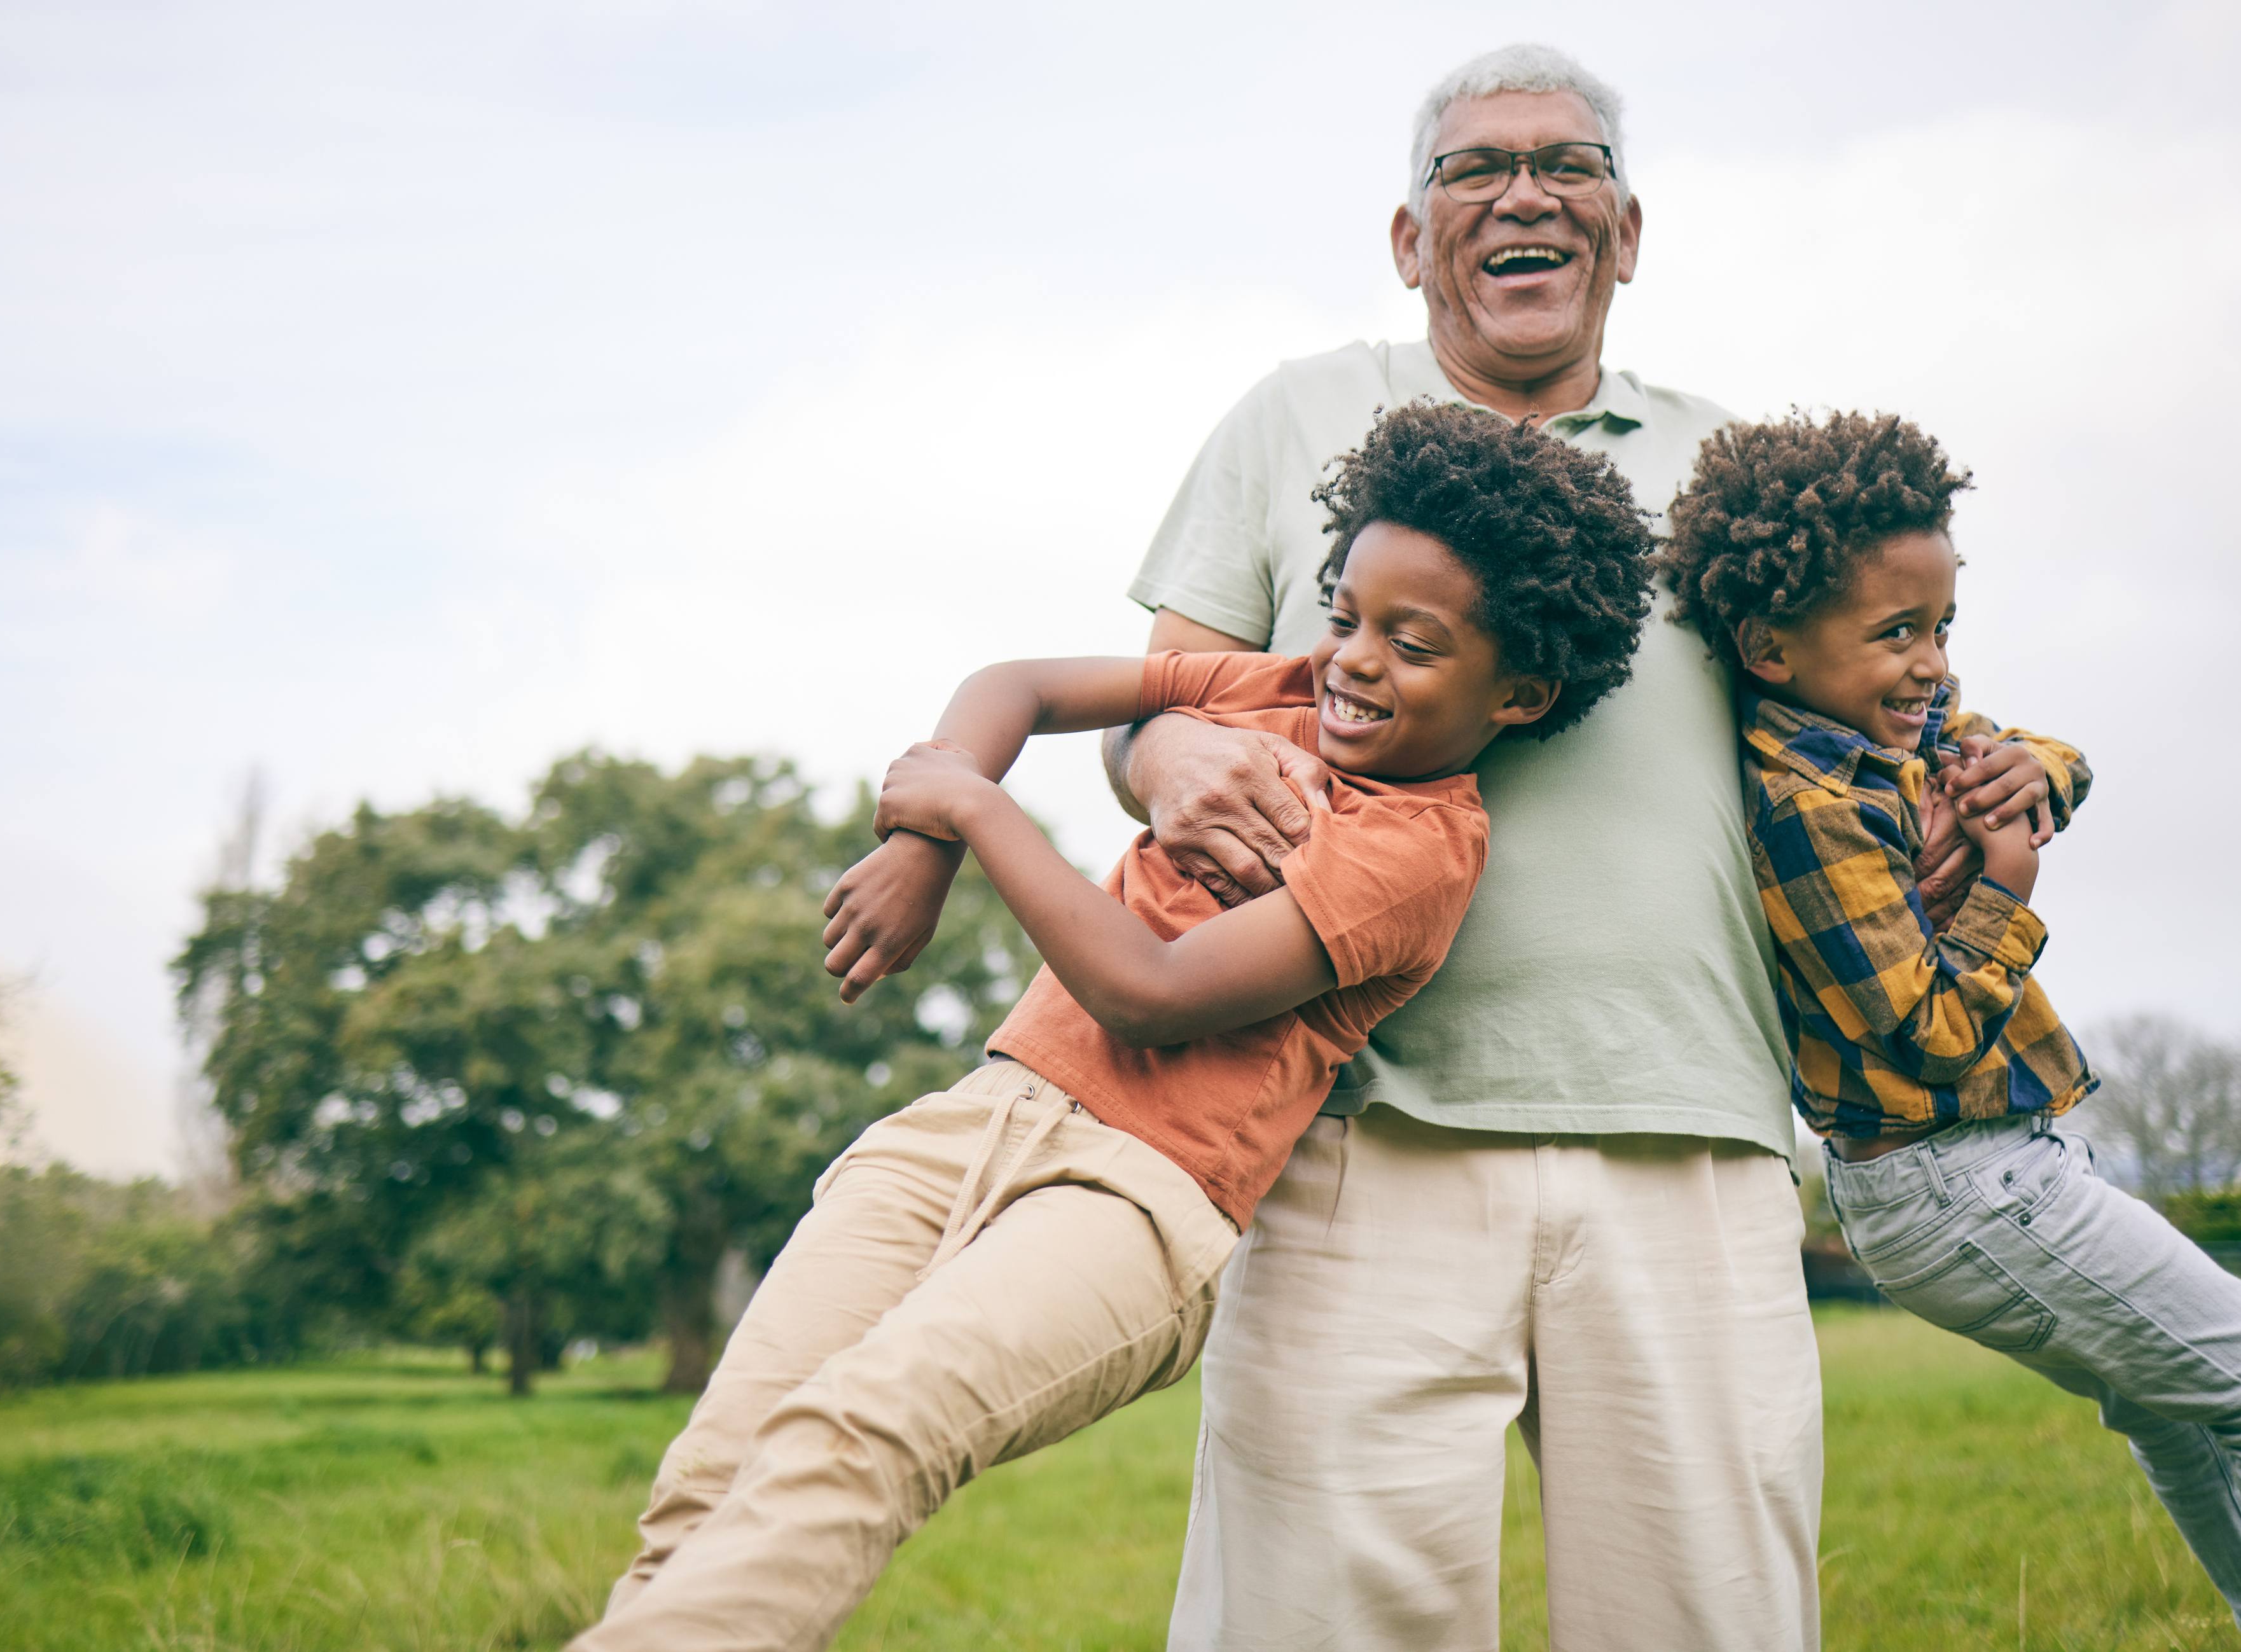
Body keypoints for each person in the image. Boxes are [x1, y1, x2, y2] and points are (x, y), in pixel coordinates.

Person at [1103, 41, 1994, 1652]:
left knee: (1706, 1622)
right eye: (1474, 169)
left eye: (1569, 167)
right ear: (1408, 236)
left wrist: (1962, 810)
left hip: (1694, 1135)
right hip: (1345, 1141)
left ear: (1627, 232)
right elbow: (1156, 705)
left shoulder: (1741, 473)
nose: (1525, 194)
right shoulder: (1298, 416)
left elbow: (1902, 717)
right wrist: (1166, 757)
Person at [564, 404, 1656, 1652]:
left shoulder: (1415, 855)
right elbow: (1014, 688)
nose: (1350, 661)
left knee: (855, 1437)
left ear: (1521, 690)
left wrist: (973, 814)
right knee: (710, 1483)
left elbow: (1147, 990)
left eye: (1413, 644)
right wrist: (918, 849)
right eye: (1344, 615)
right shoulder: (1277, 686)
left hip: (1134, 1203)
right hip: (976, 1117)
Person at [1658, 407, 2241, 1623]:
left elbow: (2033, 751)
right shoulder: (1804, 806)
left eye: (1941, 626)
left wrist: (2043, 777)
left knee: (2174, 1407)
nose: (1932, 664)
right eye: (1896, 633)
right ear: (1769, 645)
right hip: (1950, 1184)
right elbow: (1924, 1030)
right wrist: (2009, 891)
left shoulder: (1893, 728)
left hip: (2004, 1165)